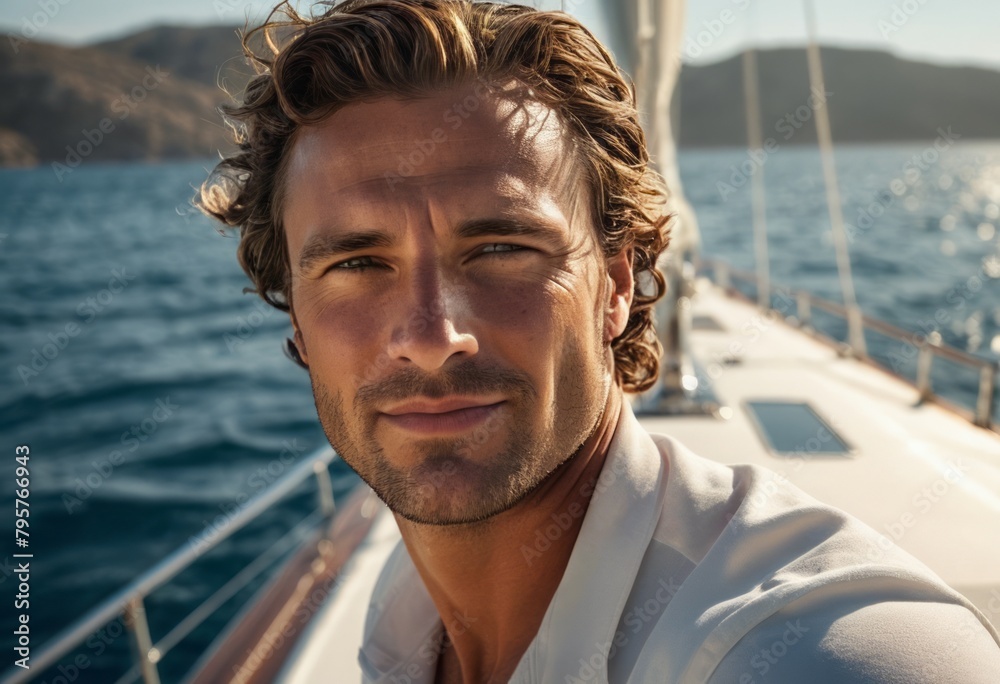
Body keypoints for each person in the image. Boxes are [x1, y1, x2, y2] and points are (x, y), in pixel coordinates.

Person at [198, 1, 1000, 681]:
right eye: (358, 262)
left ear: (616, 285)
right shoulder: (403, 611)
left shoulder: (821, 649)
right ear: (296, 317)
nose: (432, 337)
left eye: (502, 250)